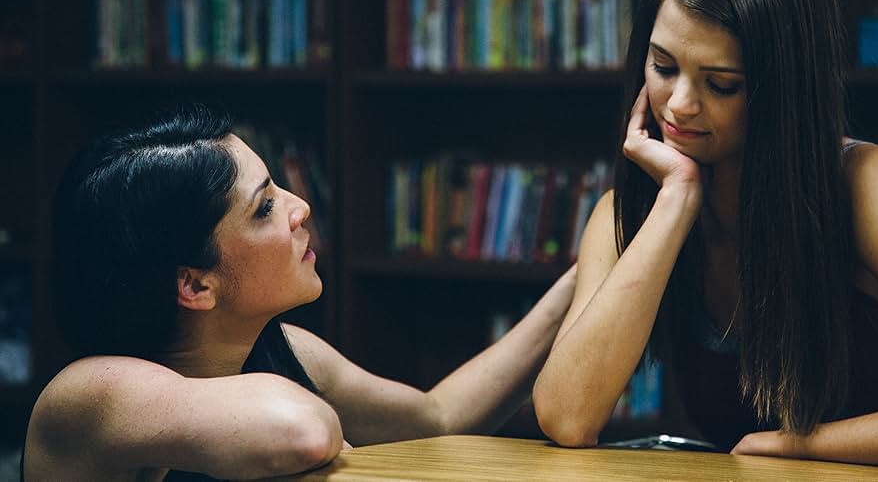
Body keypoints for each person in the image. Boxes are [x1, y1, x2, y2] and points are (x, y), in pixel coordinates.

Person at [532, 0, 878, 472]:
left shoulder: (869, 182)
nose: (679, 105)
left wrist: (793, 442)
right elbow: (567, 417)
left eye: (721, 83)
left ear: (782, 87)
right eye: (662, 66)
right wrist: (677, 202)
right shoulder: (630, 212)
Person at [23, 106, 577, 481]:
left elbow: (437, 418)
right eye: (264, 207)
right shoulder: (89, 394)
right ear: (194, 283)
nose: (300, 208)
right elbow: (301, 430)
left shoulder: (280, 345)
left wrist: (589, 276)